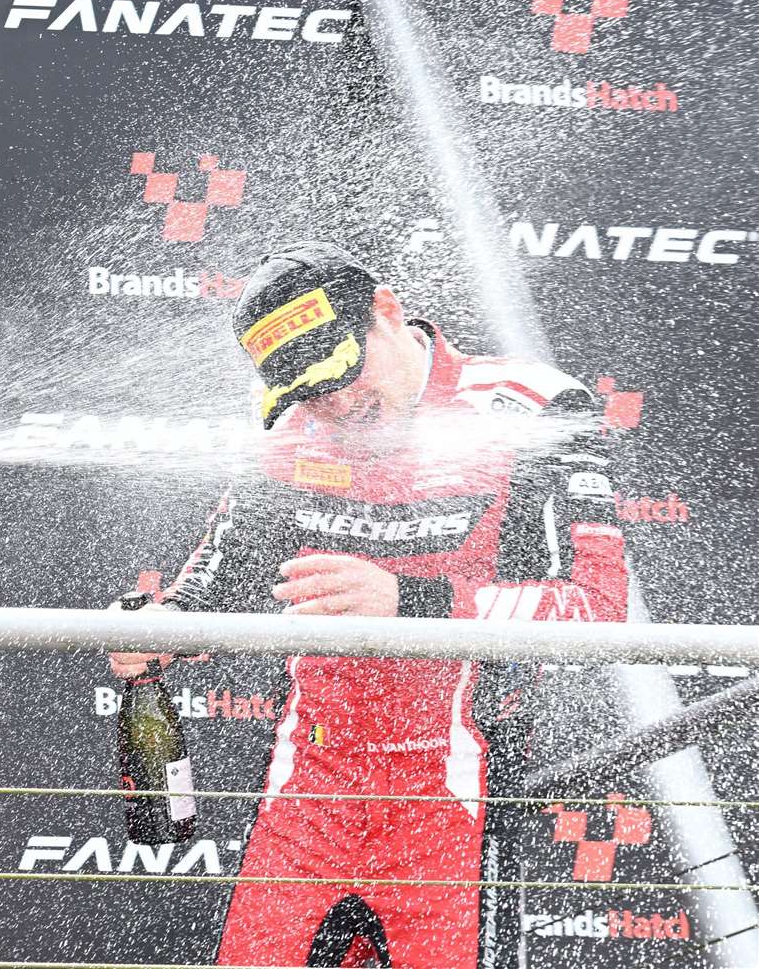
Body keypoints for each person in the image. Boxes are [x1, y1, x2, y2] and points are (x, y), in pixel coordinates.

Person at [109, 242, 630, 969]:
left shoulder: (537, 408)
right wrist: (163, 628)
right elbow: (216, 589)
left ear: (387, 310)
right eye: (310, 393)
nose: (338, 406)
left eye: (342, 375)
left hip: (454, 790)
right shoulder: (292, 439)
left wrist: (408, 602)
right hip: (310, 785)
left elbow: (598, 610)